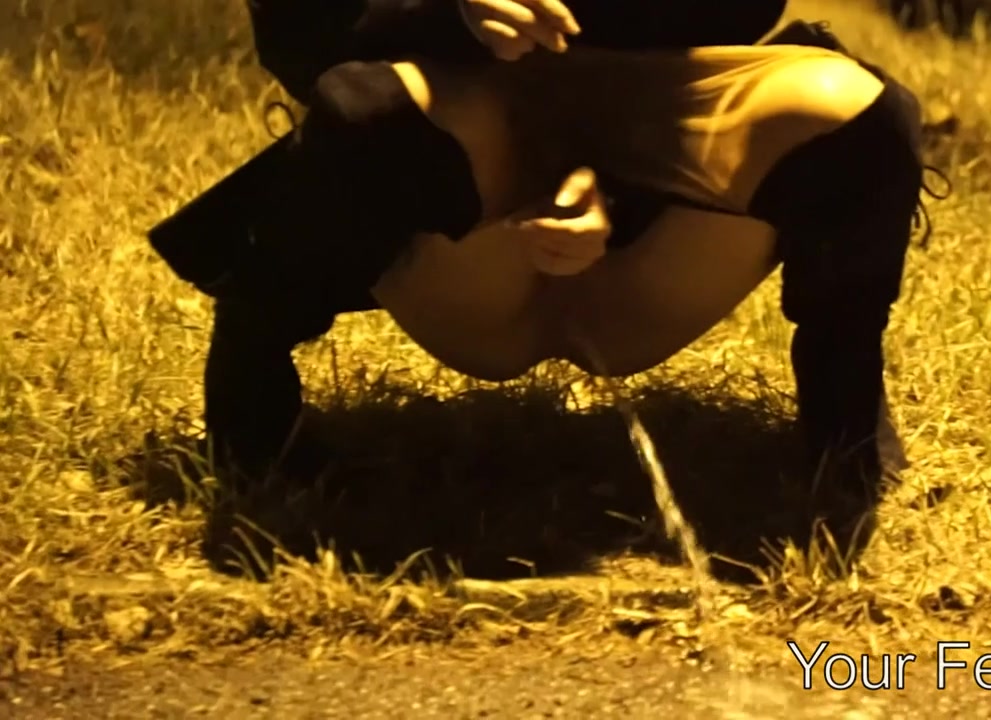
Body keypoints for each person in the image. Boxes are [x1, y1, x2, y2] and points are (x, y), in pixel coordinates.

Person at [159, 0, 938, 558]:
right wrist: (446, 13)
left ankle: (843, 418)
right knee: (366, 110)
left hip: (658, 140)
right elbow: (298, 35)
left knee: (858, 115)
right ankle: (250, 394)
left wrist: (612, 186)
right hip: (465, 145)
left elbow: (735, 13)